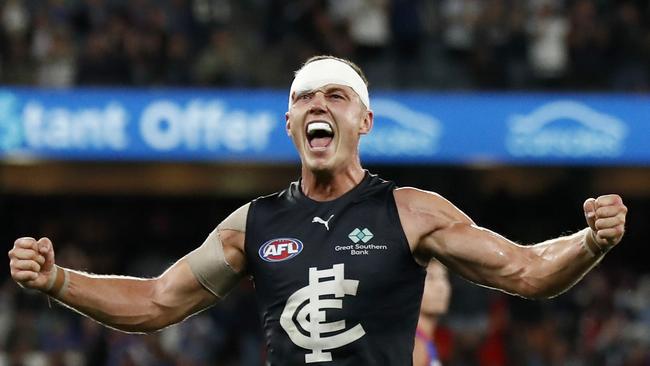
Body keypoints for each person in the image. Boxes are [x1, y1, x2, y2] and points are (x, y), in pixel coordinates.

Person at [8, 55, 627, 365]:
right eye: (303, 98)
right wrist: (58, 281)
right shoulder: (252, 224)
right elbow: (154, 303)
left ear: (365, 120)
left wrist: (590, 243)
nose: (317, 106)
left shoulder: (412, 212)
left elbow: (525, 272)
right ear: (289, 123)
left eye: (336, 95)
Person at [414, 260, 450, 366]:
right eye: (430, 278)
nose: (441, 287)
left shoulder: (425, 341)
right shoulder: (416, 346)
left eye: (444, 277)